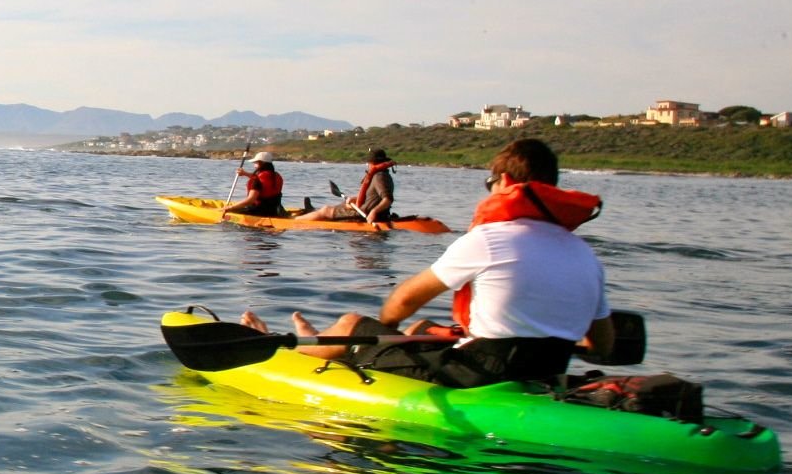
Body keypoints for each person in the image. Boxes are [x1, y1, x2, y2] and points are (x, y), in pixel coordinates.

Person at [244, 137, 616, 388]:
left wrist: (377, 332)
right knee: (424, 326)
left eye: (490, 184)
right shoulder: (584, 254)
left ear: (503, 181)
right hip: (545, 373)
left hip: (478, 378)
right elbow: (602, 344)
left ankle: (285, 349)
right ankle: (327, 343)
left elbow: (403, 300)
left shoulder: (489, 240)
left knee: (354, 323)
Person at [292, 148, 398, 222]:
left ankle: (294, 222)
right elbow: (374, 198)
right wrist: (355, 199)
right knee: (345, 205)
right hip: (366, 210)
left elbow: (387, 199)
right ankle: (312, 212)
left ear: (372, 163)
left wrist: (374, 212)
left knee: (326, 210)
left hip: (364, 214)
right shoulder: (382, 175)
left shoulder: (379, 177)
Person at [222, 152, 286, 217]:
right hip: (275, 210)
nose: (254, 164)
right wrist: (245, 173)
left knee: (229, 211)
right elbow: (262, 180)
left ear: (261, 163)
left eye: (255, 162)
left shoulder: (256, 180)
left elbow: (250, 200)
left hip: (259, 211)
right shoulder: (277, 176)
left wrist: (231, 208)